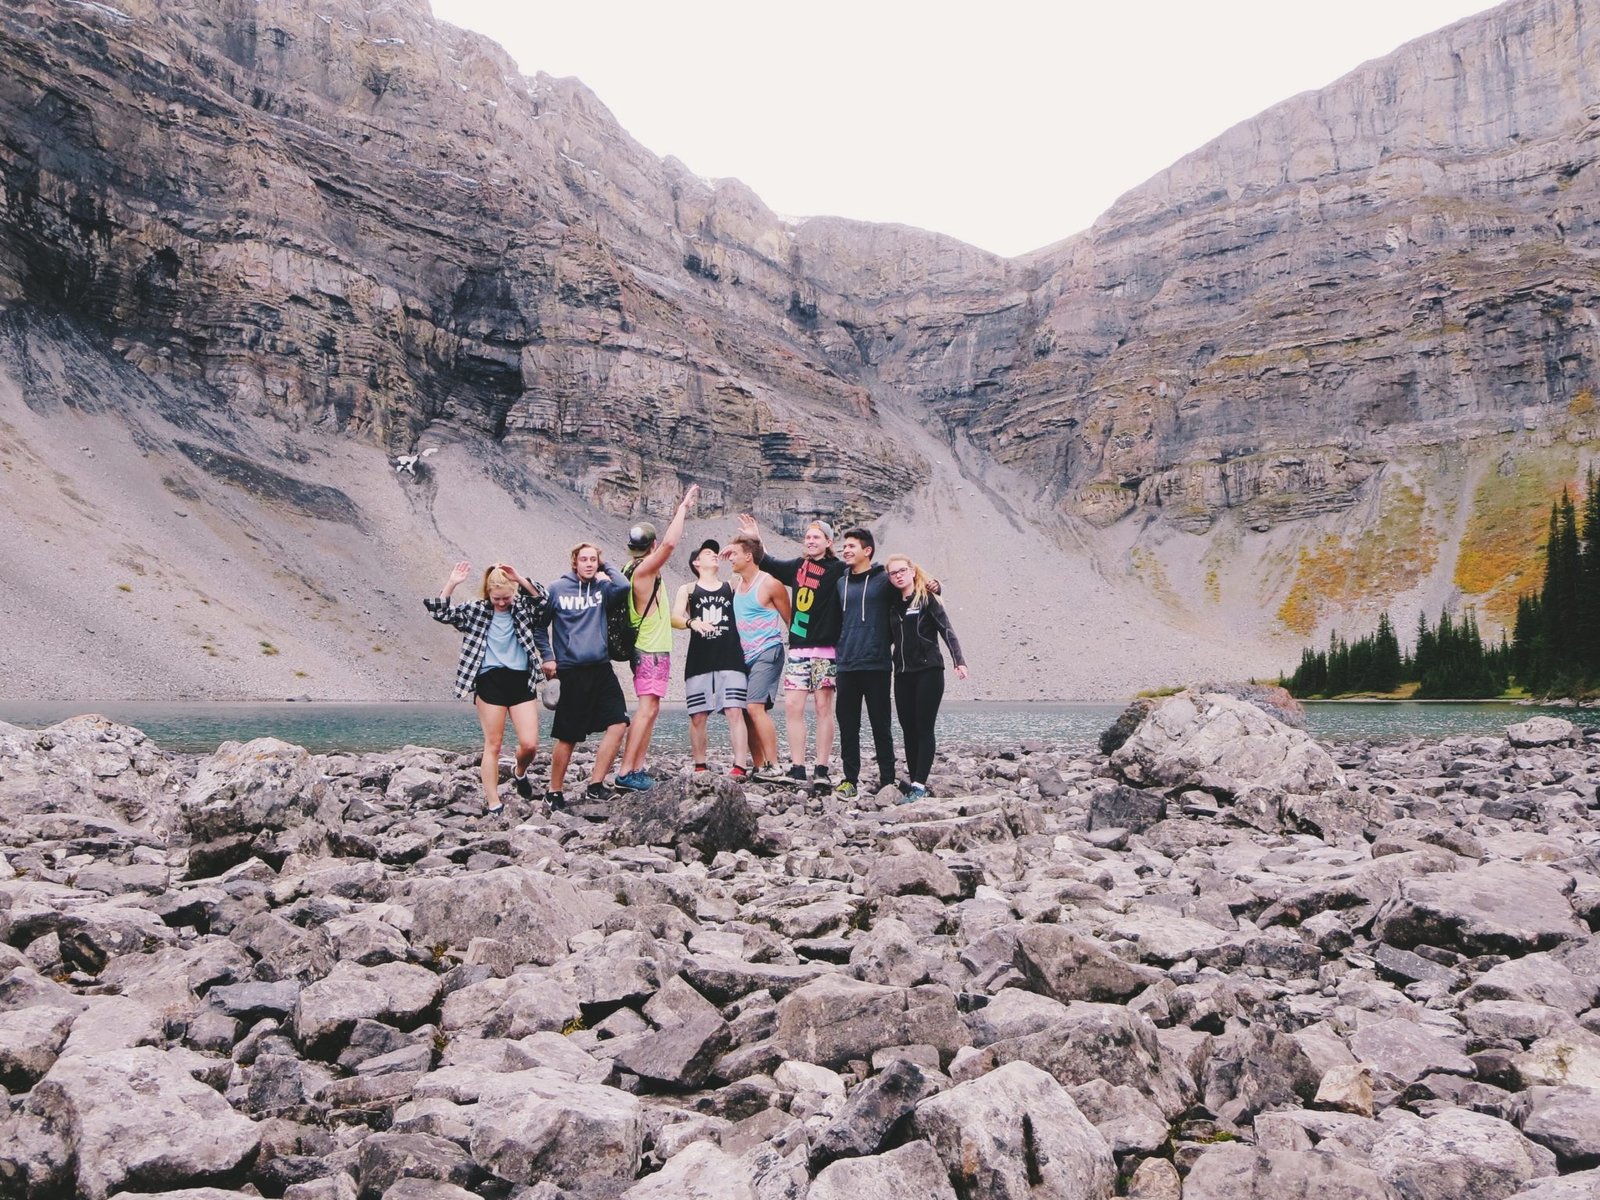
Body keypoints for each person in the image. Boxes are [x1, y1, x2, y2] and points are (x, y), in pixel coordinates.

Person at [425, 561, 553, 814]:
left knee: (529, 745)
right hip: (489, 682)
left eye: (506, 597)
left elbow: (544, 604)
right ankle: (494, 802)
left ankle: (519, 771)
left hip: (521, 681)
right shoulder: (476, 610)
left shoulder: (523, 609)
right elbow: (441, 613)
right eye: (497, 598)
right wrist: (451, 583)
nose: (502, 602)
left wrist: (520, 578)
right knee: (493, 745)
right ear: (488, 593)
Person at [736, 514, 846, 789]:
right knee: (793, 708)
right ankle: (797, 767)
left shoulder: (839, 569)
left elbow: (867, 573)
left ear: (829, 542)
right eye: (808, 537)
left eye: (816, 537)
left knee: (823, 707)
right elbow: (768, 562)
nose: (810, 541)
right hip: (798, 649)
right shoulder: (798, 567)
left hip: (825, 650)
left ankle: (821, 767)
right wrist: (755, 536)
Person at [615, 484, 699, 791]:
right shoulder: (642, 571)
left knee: (652, 708)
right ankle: (626, 771)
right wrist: (683, 508)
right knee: (647, 708)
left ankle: (636, 767)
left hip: (651, 649)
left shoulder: (631, 567)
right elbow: (670, 546)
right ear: (649, 548)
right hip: (650, 650)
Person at [542, 542, 633, 807]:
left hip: (601, 668)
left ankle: (595, 785)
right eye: (584, 559)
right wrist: (548, 657)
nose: (589, 564)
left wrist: (606, 567)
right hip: (571, 669)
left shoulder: (603, 588)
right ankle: (554, 791)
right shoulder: (556, 589)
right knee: (568, 735)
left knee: (618, 723)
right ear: (575, 562)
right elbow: (540, 626)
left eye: (594, 560)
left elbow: (624, 586)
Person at [885, 553, 968, 801]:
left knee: (923, 726)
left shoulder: (927, 598)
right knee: (907, 727)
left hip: (929, 671)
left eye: (902, 571)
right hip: (901, 673)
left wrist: (959, 661)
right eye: (893, 573)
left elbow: (947, 630)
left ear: (912, 571)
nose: (898, 575)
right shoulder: (891, 602)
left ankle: (920, 785)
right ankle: (914, 780)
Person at [672, 539, 751, 774]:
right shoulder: (687, 589)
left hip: (731, 656)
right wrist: (692, 622)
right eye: (708, 553)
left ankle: (739, 766)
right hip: (700, 658)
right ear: (696, 562)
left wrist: (736, 551)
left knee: (735, 710)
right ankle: (700, 766)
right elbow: (674, 617)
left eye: (716, 553)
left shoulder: (731, 584)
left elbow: (753, 567)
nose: (714, 555)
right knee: (698, 714)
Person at [833, 528, 899, 798]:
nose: (845, 550)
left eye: (851, 546)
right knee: (848, 726)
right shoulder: (841, 583)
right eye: (844, 546)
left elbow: (909, 593)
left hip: (877, 664)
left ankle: (888, 780)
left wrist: (935, 586)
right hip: (847, 665)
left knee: (880, 725)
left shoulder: (885, 580)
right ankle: (850, 780)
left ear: (867, 551)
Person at [724, 533, 791, 779]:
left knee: (754, 706)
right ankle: (759, 765)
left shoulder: (770, 584)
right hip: (743, 656)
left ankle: (774, 764)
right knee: (744, 710)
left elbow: (790, 620)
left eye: (734, 554)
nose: (730, 558)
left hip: (768, 650)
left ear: (749, 557)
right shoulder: (734, 584)